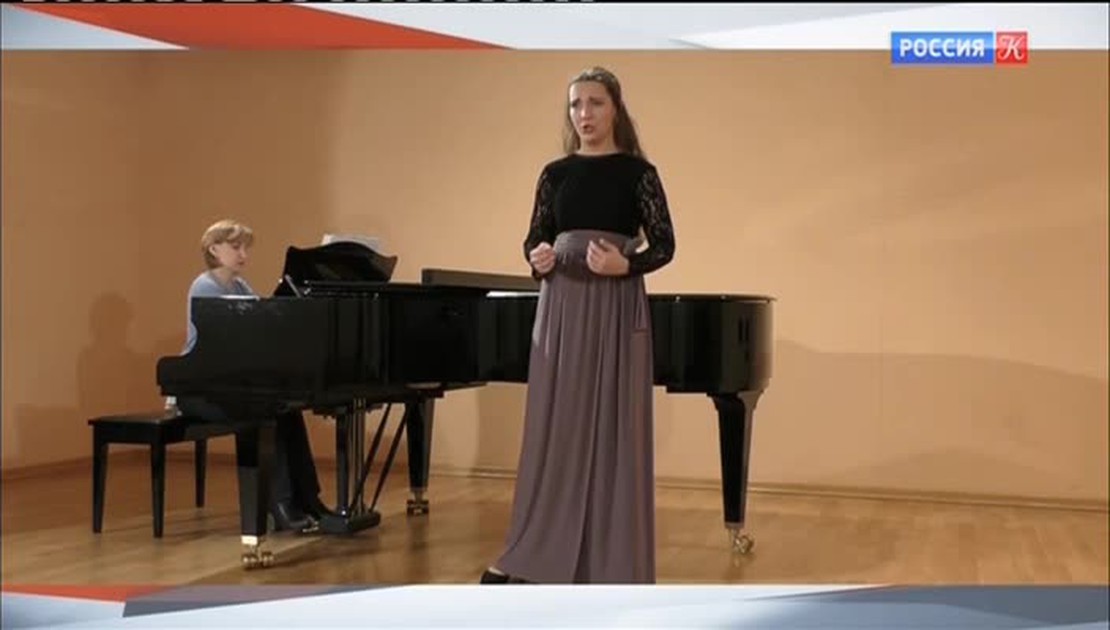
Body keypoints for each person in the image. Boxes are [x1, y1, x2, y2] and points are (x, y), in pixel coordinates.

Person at [481, 67, 676, 584]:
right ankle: (537, 551)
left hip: (614, 304)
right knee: (556, 424)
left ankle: (608, 560)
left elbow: (665, 245)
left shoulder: (638, 174)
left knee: (614, 425)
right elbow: (535, 238)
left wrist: (626, 265)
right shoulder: (555, 174)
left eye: (595, 103)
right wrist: (537, 257)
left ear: (615, 109)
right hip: (562, 305)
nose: (584, 114)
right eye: (575, 105)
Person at [171, 219, 327, 534]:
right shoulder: (205, 286)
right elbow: (224, 342)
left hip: (229, 383)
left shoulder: (240, 286)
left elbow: (261, 328)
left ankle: (308, 498)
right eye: (235, 247)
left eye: (245, 248)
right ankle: (280, 503)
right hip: (200, 389)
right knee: (267, 411)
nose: (243, 254)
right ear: (214, 249)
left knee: (288, 410)